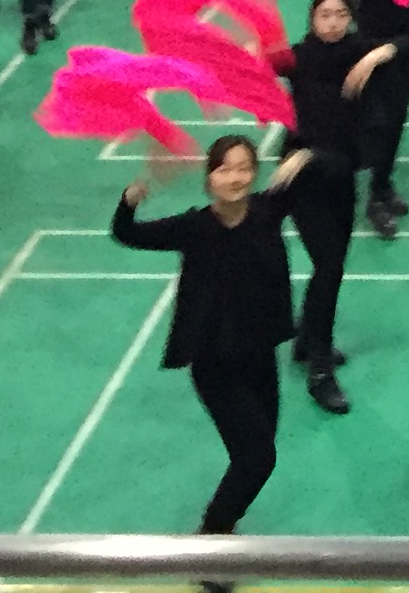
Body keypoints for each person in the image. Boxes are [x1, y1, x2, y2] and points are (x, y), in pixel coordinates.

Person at [113, 133, 309, 540]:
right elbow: (127, 233)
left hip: (260, 359)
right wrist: (129, 200)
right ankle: (212, 534)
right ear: (209, 179)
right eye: (225, 169)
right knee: (258, 459)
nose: (235, 177)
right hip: (216, 365)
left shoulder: (268, 210)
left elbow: (331, 163)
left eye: (245, 168)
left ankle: (221, 526)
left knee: (255, 455)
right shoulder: (194, 228)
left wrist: (303, 158)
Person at [277, 0, 397, 415]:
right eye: (324, 14)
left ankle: (307, 340)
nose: (332, 22)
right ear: (311, 17)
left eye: (340, 14)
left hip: (340, 173)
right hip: (300, 178)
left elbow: (407, 43)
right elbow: (252, 64)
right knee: (328, 267)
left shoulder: (359, 52)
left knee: (332, 266)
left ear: (351, 18)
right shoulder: (297, 57)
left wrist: (376, 56)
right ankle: (321, 370)